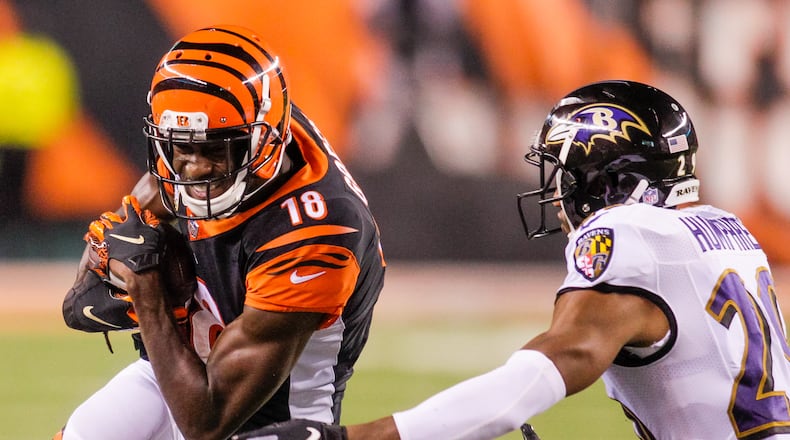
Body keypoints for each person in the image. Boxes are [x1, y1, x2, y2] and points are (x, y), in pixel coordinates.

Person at [233, 80, 790, 440]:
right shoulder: (728, 233)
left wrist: (359, 437)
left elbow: (547, 370)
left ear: (604, 179)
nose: (556, 192)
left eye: (563, 174)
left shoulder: (629, 232)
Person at [57, 24, 385, 440]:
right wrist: (118, 246)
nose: (193, 168)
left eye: (214, 149)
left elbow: (206, 424)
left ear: (265, 142)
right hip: (185, 364)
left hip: (270, 417)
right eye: (180, 147)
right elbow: (116, 241)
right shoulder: (240, 126)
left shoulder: (316, 235)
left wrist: (149, 296)